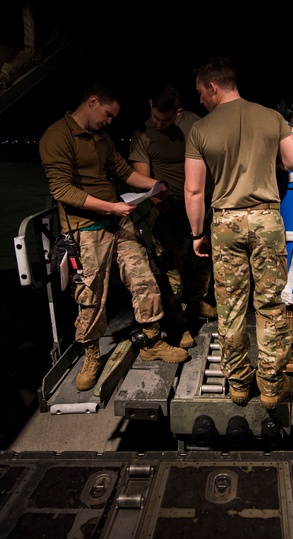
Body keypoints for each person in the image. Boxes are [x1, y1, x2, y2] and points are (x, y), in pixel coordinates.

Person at [39, 83, 189, 392]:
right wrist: (111, 206)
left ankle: (151, 340)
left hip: (118, 221)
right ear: (92, 102)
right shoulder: (57, 137)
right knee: (90, 295)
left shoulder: (102, 138)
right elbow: (62, 190)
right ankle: (92, 356)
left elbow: (124, 172)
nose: (110, 121)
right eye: (108, 114)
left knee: (144, 278)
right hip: (84, 229)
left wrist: (158, 186)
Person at [183, 57, 293, 410]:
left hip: (225, 223)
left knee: (231, 307)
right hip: (267, 221)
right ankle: (270, 386)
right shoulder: (270, 116)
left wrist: (196, 233)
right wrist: (271, 158)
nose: (200, 101)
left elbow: (193, 192)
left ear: (213, 87)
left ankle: (239, 383)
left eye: (200, 93)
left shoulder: (201, 130)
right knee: (270, 305)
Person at [129, 85, 217, 349]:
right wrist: (161, 204)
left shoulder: (195, 124)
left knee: (201, 262)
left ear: (178, 112)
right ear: (150, 105)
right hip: (170, 209)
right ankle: (177, 324)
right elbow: (142, 180)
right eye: (156, 117)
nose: (159, 123)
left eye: (166, 120)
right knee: (170, 270)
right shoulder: (143, 135)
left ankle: (196, 302)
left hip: (202, 207)